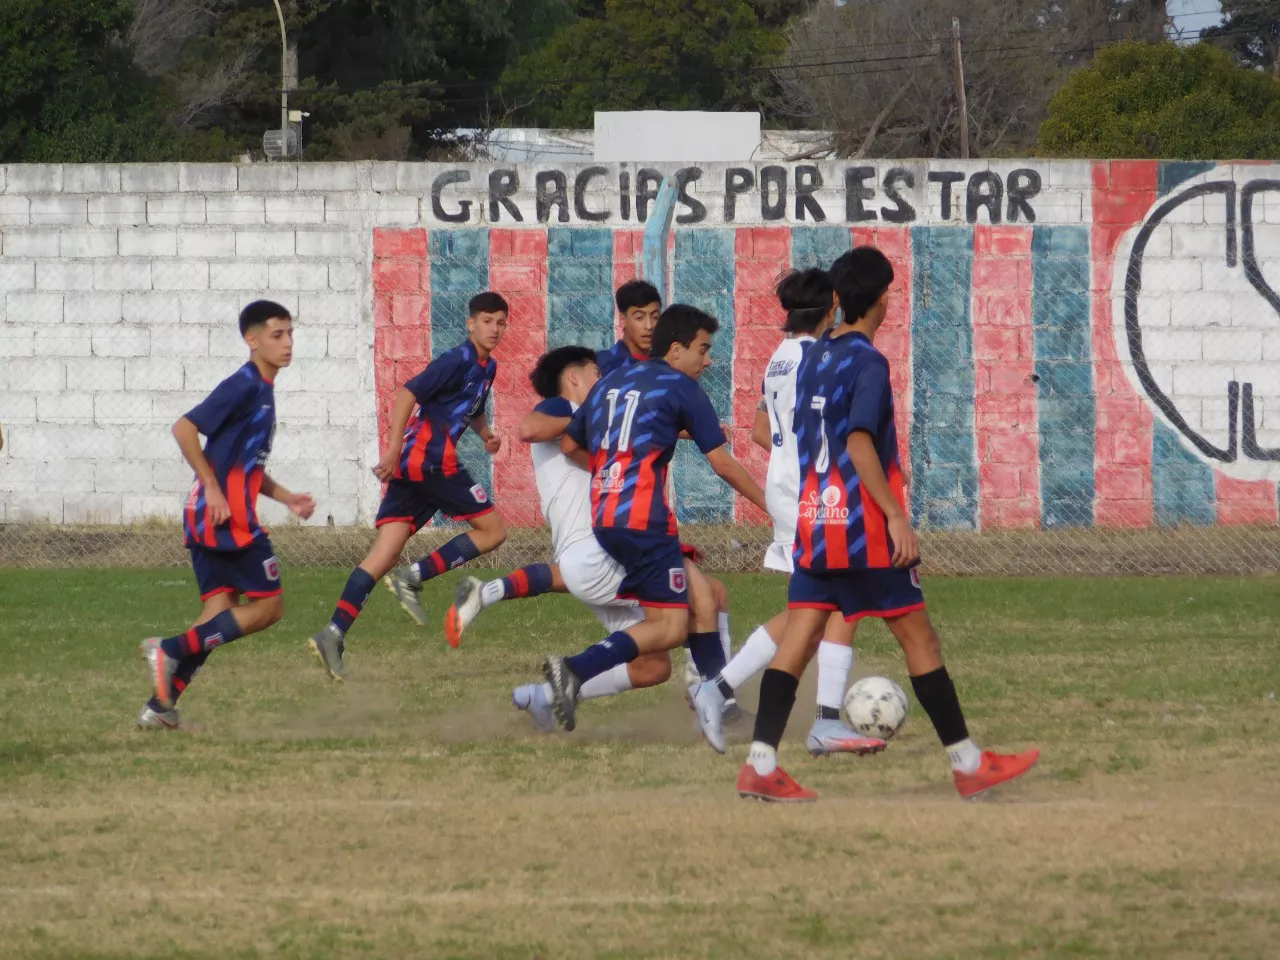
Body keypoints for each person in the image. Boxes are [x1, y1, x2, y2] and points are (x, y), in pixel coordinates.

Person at [735, 247, 1039, 802]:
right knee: (919, 638)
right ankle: (969, 764)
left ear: (835, 300)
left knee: (796, 641)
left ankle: (760, 762)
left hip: (815, 521)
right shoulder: (868, 362)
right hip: (862, 530)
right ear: (882, 300)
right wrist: (896, 517)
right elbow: (857, 441)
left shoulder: (813, 357)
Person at [535, 305, 769, 732]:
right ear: (677, 349)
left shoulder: (612, 381)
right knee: (670, 627)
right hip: (643, 522)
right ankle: (574, 669)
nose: (708, 359)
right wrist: (774, 507)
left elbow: (569, 445)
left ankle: (719, 702)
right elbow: (723, 464)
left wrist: (612, 471)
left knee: (706, 597)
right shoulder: (682, 387)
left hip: (606, 517)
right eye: (703, 349)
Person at [691, 268, 884, 757]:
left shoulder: (780, 357)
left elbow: (760, 431)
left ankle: (721, 690)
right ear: (833, 305)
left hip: (789, 489)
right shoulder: (819, 356)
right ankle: (818, 720)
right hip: (814, 494)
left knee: (814, 608)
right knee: (841, 601)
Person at [307, 292, 510, 680]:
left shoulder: (489, 367)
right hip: (431, 461)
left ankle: (333, 633)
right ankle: (412, 578)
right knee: (493, 531)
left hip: (416, 468)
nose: (494, 328)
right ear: (470, 323)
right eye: (487, 320)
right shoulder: (456, 359)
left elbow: (473, 405)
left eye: (500, 322)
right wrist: (395, 445)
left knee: (382, 554)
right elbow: (407, 393)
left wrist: (485, 433)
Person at [138, 300, 316, 730]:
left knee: (219, 614)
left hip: (208, 515)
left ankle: (159, 708)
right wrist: (214, 488)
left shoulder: (263, 390)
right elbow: (183, 429)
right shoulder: (244, 385)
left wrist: (287, 496)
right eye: (277, 335)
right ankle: (169, 648)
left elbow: (245, 464)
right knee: (269, 606)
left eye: (290, 333)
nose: (288, 343)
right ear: (251, 340)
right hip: (225, 518)